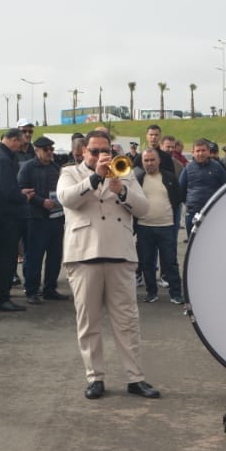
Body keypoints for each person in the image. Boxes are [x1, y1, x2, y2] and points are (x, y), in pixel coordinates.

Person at [58, 128, 160, 400]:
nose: (101, 155)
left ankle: (136, 378)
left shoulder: (124, 172)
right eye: (95, 151)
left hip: (120, 253)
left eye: (106, 151)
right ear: (84, 152)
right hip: (84, 254)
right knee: (88, 321)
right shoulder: (70, 173)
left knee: (127, 321)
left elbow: (144, 209)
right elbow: (67, 199)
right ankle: (95, 377)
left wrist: (122, 190)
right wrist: (95, 178)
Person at [0, 128, 31, 312]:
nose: (20, 148)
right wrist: (23, 197)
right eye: (20, 143)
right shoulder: (4, 159)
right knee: (7, 258)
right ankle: (2, 297)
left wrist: (18, 192)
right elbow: (9, 191)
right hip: (7, 214)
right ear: (13, 140)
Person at [18, 136, 68, 302]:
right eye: (46, 149)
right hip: (36, 218)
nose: (49, 152)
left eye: (51, 149)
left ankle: (50, 288)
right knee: (34, 256)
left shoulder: (55, 168)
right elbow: (21, 189)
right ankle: (32, 290)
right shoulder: (28, 168)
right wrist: (41, 202)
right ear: (37, 150)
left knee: (55, 256)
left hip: (55, 218)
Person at [134, 148, 184, 305]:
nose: (149, 163)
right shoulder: (138, 179)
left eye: (152, 160)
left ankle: (176, 294)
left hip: (166, 227)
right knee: (146, 262)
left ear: (159, 161)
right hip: (144, 227)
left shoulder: (169, 177)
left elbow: (177, 199)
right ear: (142, 162)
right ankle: (151, 293)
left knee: (170, 262)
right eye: (146, 160)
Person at [177, 138, 226, 236]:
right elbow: (180, 191)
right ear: (193, 152)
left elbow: (225, 188)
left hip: (212, 213)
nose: (200, 153)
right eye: (198, 151)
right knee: (193, 242)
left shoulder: (217, 167)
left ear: (208, 152)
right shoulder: (187, 169)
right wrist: (190, 203)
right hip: (192, 213)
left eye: (203, 150)